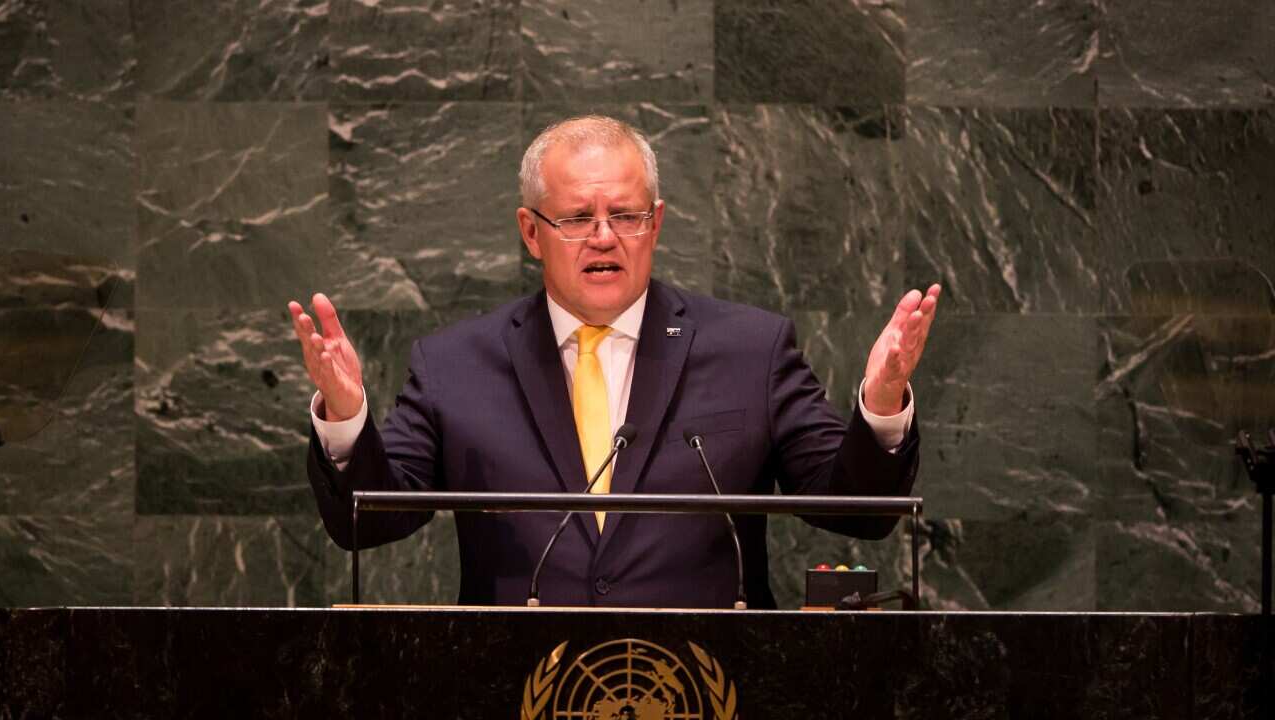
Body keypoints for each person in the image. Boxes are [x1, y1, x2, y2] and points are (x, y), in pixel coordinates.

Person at [289, 115, 940, 608]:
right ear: (530, 230)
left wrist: (881, 407)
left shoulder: (751, 350)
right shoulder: (455, 364)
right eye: (577, 217)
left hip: (706, 689)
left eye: (625, 215)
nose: (604, 236)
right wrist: (346, 418)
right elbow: (372, 519)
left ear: (655, 224)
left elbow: (856, 509)